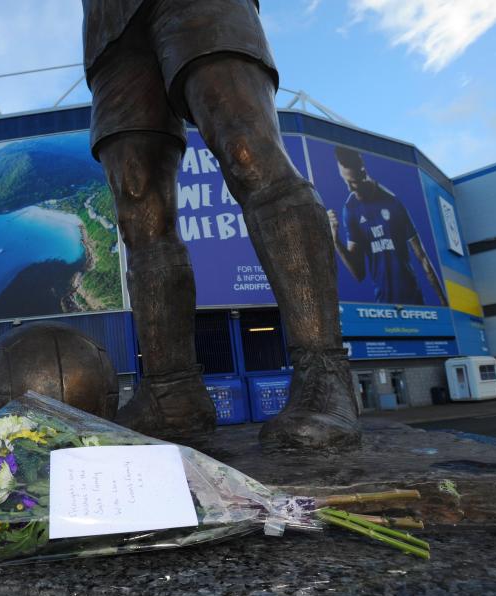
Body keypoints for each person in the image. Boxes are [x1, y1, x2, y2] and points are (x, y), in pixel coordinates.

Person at [82, 0, 360, 450]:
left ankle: (324, 373)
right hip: (109, 26)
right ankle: (171, 394)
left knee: (248, 151)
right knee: (138, 208)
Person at [328, 147, 448, 306]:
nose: (349, 188)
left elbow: (422, 258)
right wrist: (335, 240)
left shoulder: (392, 202)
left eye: (353, 183)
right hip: (383, 306)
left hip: (413, 301)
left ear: (364, 173)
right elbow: (359, 273)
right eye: (345, 181)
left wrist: (444, 305)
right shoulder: (350, 209)